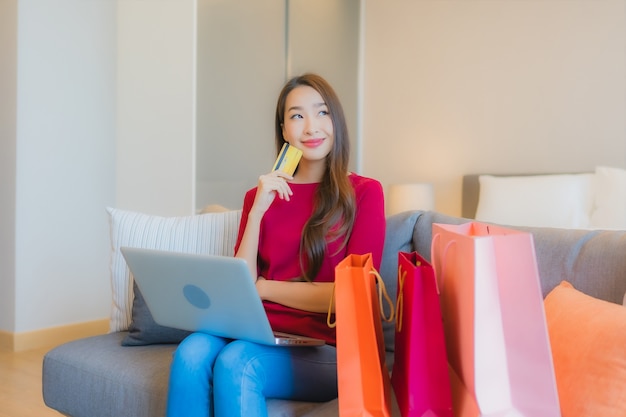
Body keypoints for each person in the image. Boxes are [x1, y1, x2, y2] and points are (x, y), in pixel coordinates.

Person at [166, 73, 386, 417]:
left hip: (329, 348)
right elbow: (240, 288)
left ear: (336, 121)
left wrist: (265, 288)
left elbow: (348, 297)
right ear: (283, 130)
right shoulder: (259, 196)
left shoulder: (364, 194)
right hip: (259, 331)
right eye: (297, 116)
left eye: (322, 112)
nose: (311, 127)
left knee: (237, 364)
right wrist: (256, 212)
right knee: (190, 354)